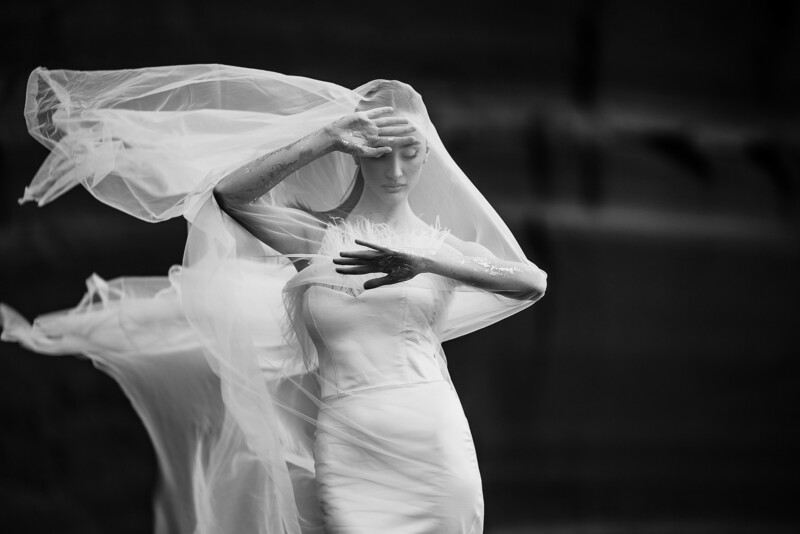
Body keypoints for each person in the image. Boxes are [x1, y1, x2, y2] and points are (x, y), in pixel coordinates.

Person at [1, 66, 547, 534]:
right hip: (351, 440)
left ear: (428, 156)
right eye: (380, 153)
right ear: (359, 154)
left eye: (410, 153)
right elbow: (231, 196)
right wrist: (327, 136)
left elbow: (531, 281)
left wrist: (425, 263)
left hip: (434, 437)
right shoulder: (318, 240)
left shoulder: (440, 246)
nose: (396, 170)